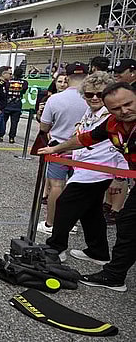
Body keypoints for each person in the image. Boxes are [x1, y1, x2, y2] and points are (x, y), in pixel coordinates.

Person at [38, 82, 136, 292]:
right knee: (109, 218)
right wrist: (56, 148)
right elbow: (84, 139)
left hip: (100, 170)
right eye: (116, 108)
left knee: (127, 225)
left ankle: (111, 272)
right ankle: (105, 261)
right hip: (98, 170)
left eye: (128, 104)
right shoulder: (112, 122)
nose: (124, 111)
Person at [45, 72, 126, 264]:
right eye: (89, 95)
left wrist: (119, 176)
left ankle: (56, 247)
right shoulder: (90, 112)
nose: (95, 98)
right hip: (85, 167)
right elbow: (84, 138)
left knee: (65, 203)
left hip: (98, 170)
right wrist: (64, 152)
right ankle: (98, 251)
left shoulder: (113, 116)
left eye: (99, 94)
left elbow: (122, 147)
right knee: (92, 212)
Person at [37, 62, 88, 235]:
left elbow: (44, 127)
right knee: (78, 188)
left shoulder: (55, 99)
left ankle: (51, 223)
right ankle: (71, 224)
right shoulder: (93, 99)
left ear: (67, 77)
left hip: (58, 147)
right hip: (84, 150)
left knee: (56, 186)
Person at [1, 67, 29, 144]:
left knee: (3, 121)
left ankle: (1, 135)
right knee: (14, 122)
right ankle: (11, 138)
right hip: (17, 104)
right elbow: (23, 91)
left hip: (7, 103)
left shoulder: (8, 82)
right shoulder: (25, 82)